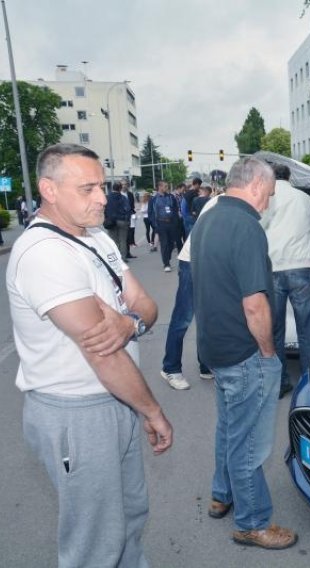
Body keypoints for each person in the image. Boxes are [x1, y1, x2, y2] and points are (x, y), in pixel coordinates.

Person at [6, 143, 172, 566]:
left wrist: (130, 324)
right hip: (76, 415)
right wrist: (153, 411)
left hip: (114, 402)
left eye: (101, 185)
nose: (102, 197)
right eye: (88, 188)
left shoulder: (95, 237)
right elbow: (103, 353)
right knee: (95, 541)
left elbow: (146, 306)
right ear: (49, 189)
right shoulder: (45, 253)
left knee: (131, 517)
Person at [192, 156, 298, 550]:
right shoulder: (247, 227)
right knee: (249, 443)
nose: (268, 204)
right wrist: (269, 354)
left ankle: (222, 495)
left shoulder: (208, 218)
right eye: (269, 195)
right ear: (255, 186)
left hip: (216, 349)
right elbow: (254, 303)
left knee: (229, 428)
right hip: (244, 352)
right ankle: (252, 522)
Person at [259, 163, 310, 399]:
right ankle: (307, 383)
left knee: (275, 330)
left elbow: (260, 231)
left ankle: (281, 382)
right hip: (301, 269)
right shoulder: (304, 198)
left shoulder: (268, 199)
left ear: (272, 177)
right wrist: (309, 255)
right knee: (307, 329)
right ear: (290, 176)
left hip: (273, 269)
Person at [160, 195, 220, 390]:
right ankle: (171, 368)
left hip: (211, 263)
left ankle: (205, 364)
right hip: (193, 261)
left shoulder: (234, 203)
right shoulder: (222, 203)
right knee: (183, 317)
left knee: (208, 317)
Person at [148, 180, 181, 271]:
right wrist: (155, 225)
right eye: (165, 186)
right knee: (164, 243)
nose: (167, 188)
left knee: (171, 243)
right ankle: (166, 264)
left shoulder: (171, 197)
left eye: (167, 186)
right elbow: (150, 213)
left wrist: (175, 222)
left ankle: (167, 257)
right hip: (160, 223)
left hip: (171, 223)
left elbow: (175, 209)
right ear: (160, 187)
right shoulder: (153, 199)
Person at [105, 181, 132, 258]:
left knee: (113, 240)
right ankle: (123, 257)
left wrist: (106, 218)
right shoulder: (123, 198)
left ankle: (116, 257)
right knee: (122, 240)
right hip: (122, 221)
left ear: (112, 188)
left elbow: (104, 209)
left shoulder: (107, 198)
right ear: (120, 189)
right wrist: (127, 219)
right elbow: (128, 209)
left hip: (111, 221)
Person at [120, 179, 136, 259]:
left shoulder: (130, 194)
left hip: (130, 217)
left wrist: (133, 213)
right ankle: (123, 254)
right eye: (123, 184)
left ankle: (128, 253)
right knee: (123, 236)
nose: (124, 186)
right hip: (122, 218)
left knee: (130, 235)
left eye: (126, 184)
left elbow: (132, 205)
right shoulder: (119, 194)